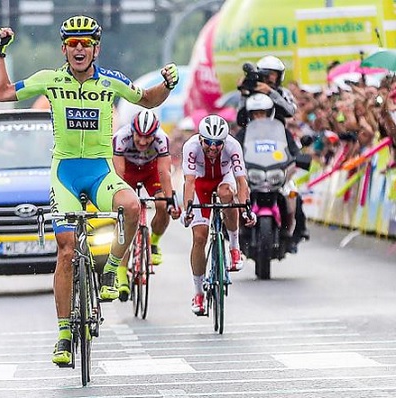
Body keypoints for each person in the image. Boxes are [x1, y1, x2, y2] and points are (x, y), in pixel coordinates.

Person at [0, 15, 179, 366]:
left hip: (99, 170)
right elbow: (1, 93)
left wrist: (167, 85)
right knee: (65, 252)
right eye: (72, 44)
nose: (79, 49)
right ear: (63, 49)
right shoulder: (49, 80)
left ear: (96, 49)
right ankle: (63, 334)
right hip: (65, 174)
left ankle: (112, 268)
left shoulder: (110, 82)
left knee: (133, 206)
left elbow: (148, 100)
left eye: (85, 43)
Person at [181, 114, 256, 315]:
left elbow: (241, 182)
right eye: (208, 143)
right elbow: (189, 182)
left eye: (218, 143)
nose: (213, 148)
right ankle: (198, 294)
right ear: (200, 139)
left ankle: (234, 247)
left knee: (227, 194)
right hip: (199, 184)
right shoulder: (191, 147)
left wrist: (245, 209)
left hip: (224, 179)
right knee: (199, 237)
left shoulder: (233, 146)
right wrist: (188, 210)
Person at [112, 110, 181, 300]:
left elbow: (164, 172)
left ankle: (154, 243)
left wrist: (170, 200)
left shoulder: (162, 139)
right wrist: (120, 199)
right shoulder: (121, 137)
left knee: (161, 205)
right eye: (139, 137)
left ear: (155, 134)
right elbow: (118, 172)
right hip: (128, 171)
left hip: (151, 171)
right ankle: (121, 274)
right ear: (132, 131)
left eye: (148, 138)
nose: (142, 142)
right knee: (125, 221)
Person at [234, 93, 309, 251]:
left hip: (277, 175)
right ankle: (233, 233)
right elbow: (233, 151)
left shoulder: (282, 132)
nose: (259, 116)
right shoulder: (243, 134)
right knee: (233, 197)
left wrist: (299, 157)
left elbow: (294, 150)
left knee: (295, 195)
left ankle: (299, 231)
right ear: (250, 115)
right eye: (255, 113)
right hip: (252, 176)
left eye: (262, 113)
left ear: (270, 113)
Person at [236, 55, 297, 128]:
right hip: (253, 132)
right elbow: (241, 120)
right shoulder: (252, 91)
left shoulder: (283, 92)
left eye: (273, 74)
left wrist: (270, 92)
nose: (270, 77)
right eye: (266, 74)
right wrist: (245, 93)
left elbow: (291, 111)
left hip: (278, 132)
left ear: (279, 76)